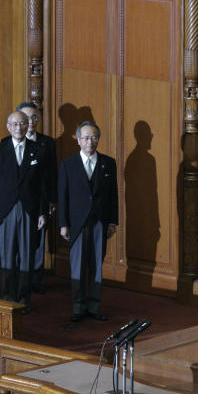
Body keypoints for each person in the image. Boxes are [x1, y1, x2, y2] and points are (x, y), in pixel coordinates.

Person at [0, 111, 48, 312]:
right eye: (14, 124)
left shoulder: (38, 150)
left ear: (28, 124)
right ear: (8, 126)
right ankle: (7, 298)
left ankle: (23, 300)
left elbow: (42, 186)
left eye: (22, 123)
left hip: (30, 210)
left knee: (27, 257)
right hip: (6, 211)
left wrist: (42, 212)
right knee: (7, 256)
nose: (19, 127)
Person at [57, 121, 117, 322]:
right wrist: (63, 224)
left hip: (100, 222)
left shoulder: (108, 163)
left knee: (96, 267)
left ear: (98, 139)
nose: (89, 142)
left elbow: (113, 196)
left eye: (94, 137)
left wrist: (112, 221)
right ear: (78, 140)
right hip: (77, 224)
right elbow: (62, 196)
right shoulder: (68, 164)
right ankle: (78, 307)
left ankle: (94, 306)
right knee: (78, 267)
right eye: (85, 137)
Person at [18, 101, 57, 294]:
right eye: (26, 118)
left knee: (39, 238)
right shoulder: (9, 142)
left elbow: (51, 174)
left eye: (34, 117)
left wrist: (51, 200)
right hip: (18, 201)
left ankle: (36, 278)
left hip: (40, 199)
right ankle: (19, 276)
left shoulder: (47, 143)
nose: (31, 122)